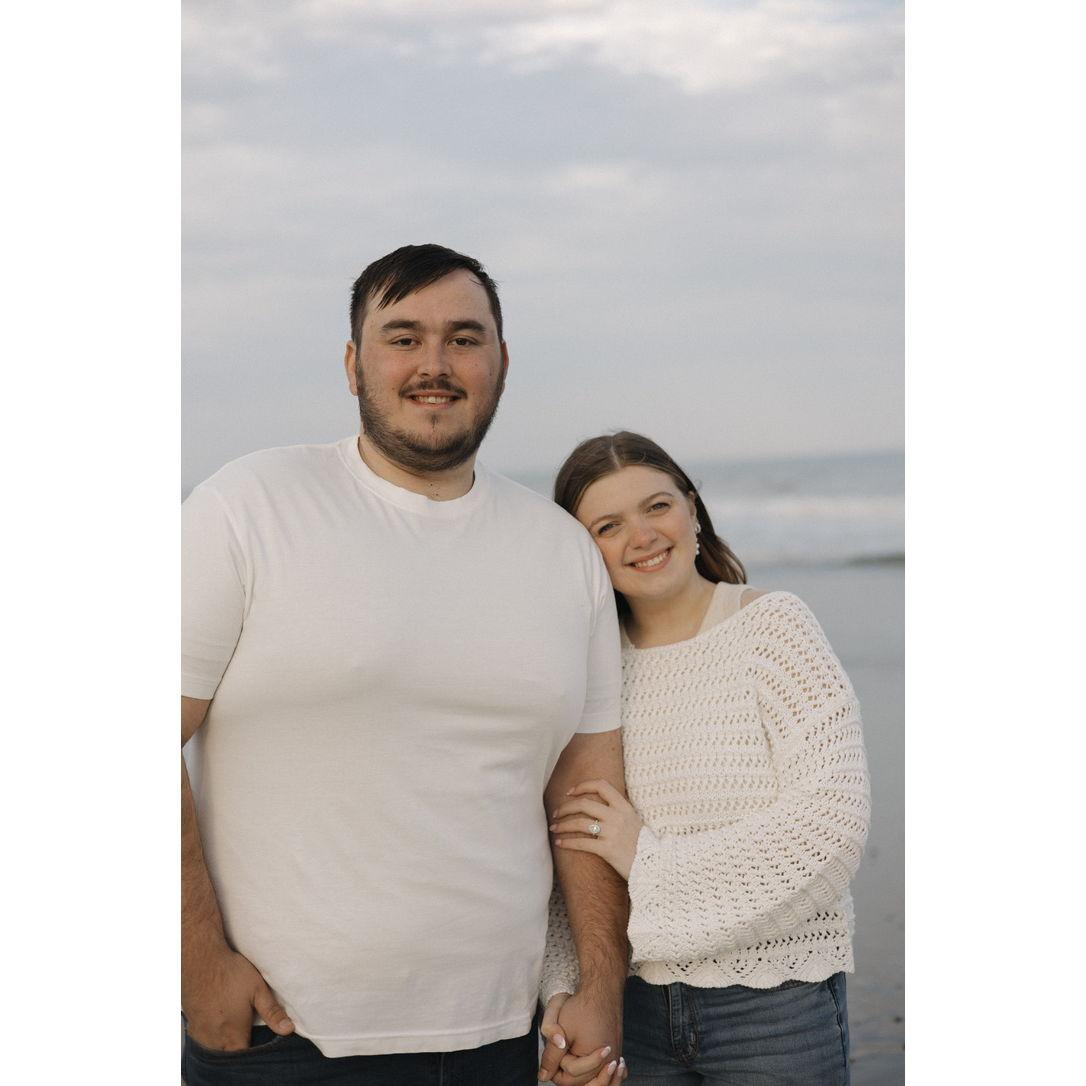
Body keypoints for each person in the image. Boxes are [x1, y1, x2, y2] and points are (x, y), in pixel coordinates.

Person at [181, 245, 630, 1085]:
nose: (434, 364)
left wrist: (600, 985)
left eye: (465, 338)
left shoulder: (561, 552)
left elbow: (585, 795)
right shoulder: (247, 508)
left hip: (500, 1037)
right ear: (353, 364)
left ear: (501, 362)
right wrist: (197, 965)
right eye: (402, 337)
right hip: (284, 1036)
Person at [536, 432, 870, 1086]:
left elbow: (831, 828)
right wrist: (565, 993)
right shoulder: (586, 679)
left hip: (774, 1008)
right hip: (632, 1013)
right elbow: (569, 861)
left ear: (692, 510)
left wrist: (644, 857)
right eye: (608, 525)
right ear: (583, 552)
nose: (642, 535)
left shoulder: (773, 628)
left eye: (657, 506)